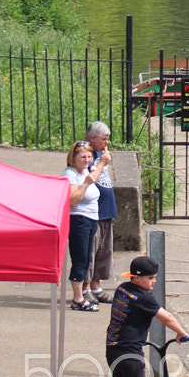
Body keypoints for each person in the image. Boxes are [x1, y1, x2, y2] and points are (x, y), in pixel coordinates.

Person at [64, 141, 110, 309]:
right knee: (80, 259)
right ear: (73, 157)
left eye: (89, 157)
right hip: (79, 220)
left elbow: (94, 177)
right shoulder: (70, 175)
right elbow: (73, 200)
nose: (86, 160)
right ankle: (78, 299)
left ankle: (80, 297)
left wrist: (102, 162)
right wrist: (85, 183)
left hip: (91, 219)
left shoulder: (85, 171)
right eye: (82, 156)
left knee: (86, 258)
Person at [83, 122, 117, 305]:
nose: (106, 143)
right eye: (103, 139)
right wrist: (103, 163)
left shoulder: (101, 154)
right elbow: (91, 178)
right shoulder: (86, 155)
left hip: (106, 209)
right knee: (91, 251)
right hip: (92, 212)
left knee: (104, 250)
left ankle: (97, 287)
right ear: (92, 139)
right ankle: (86, 287)